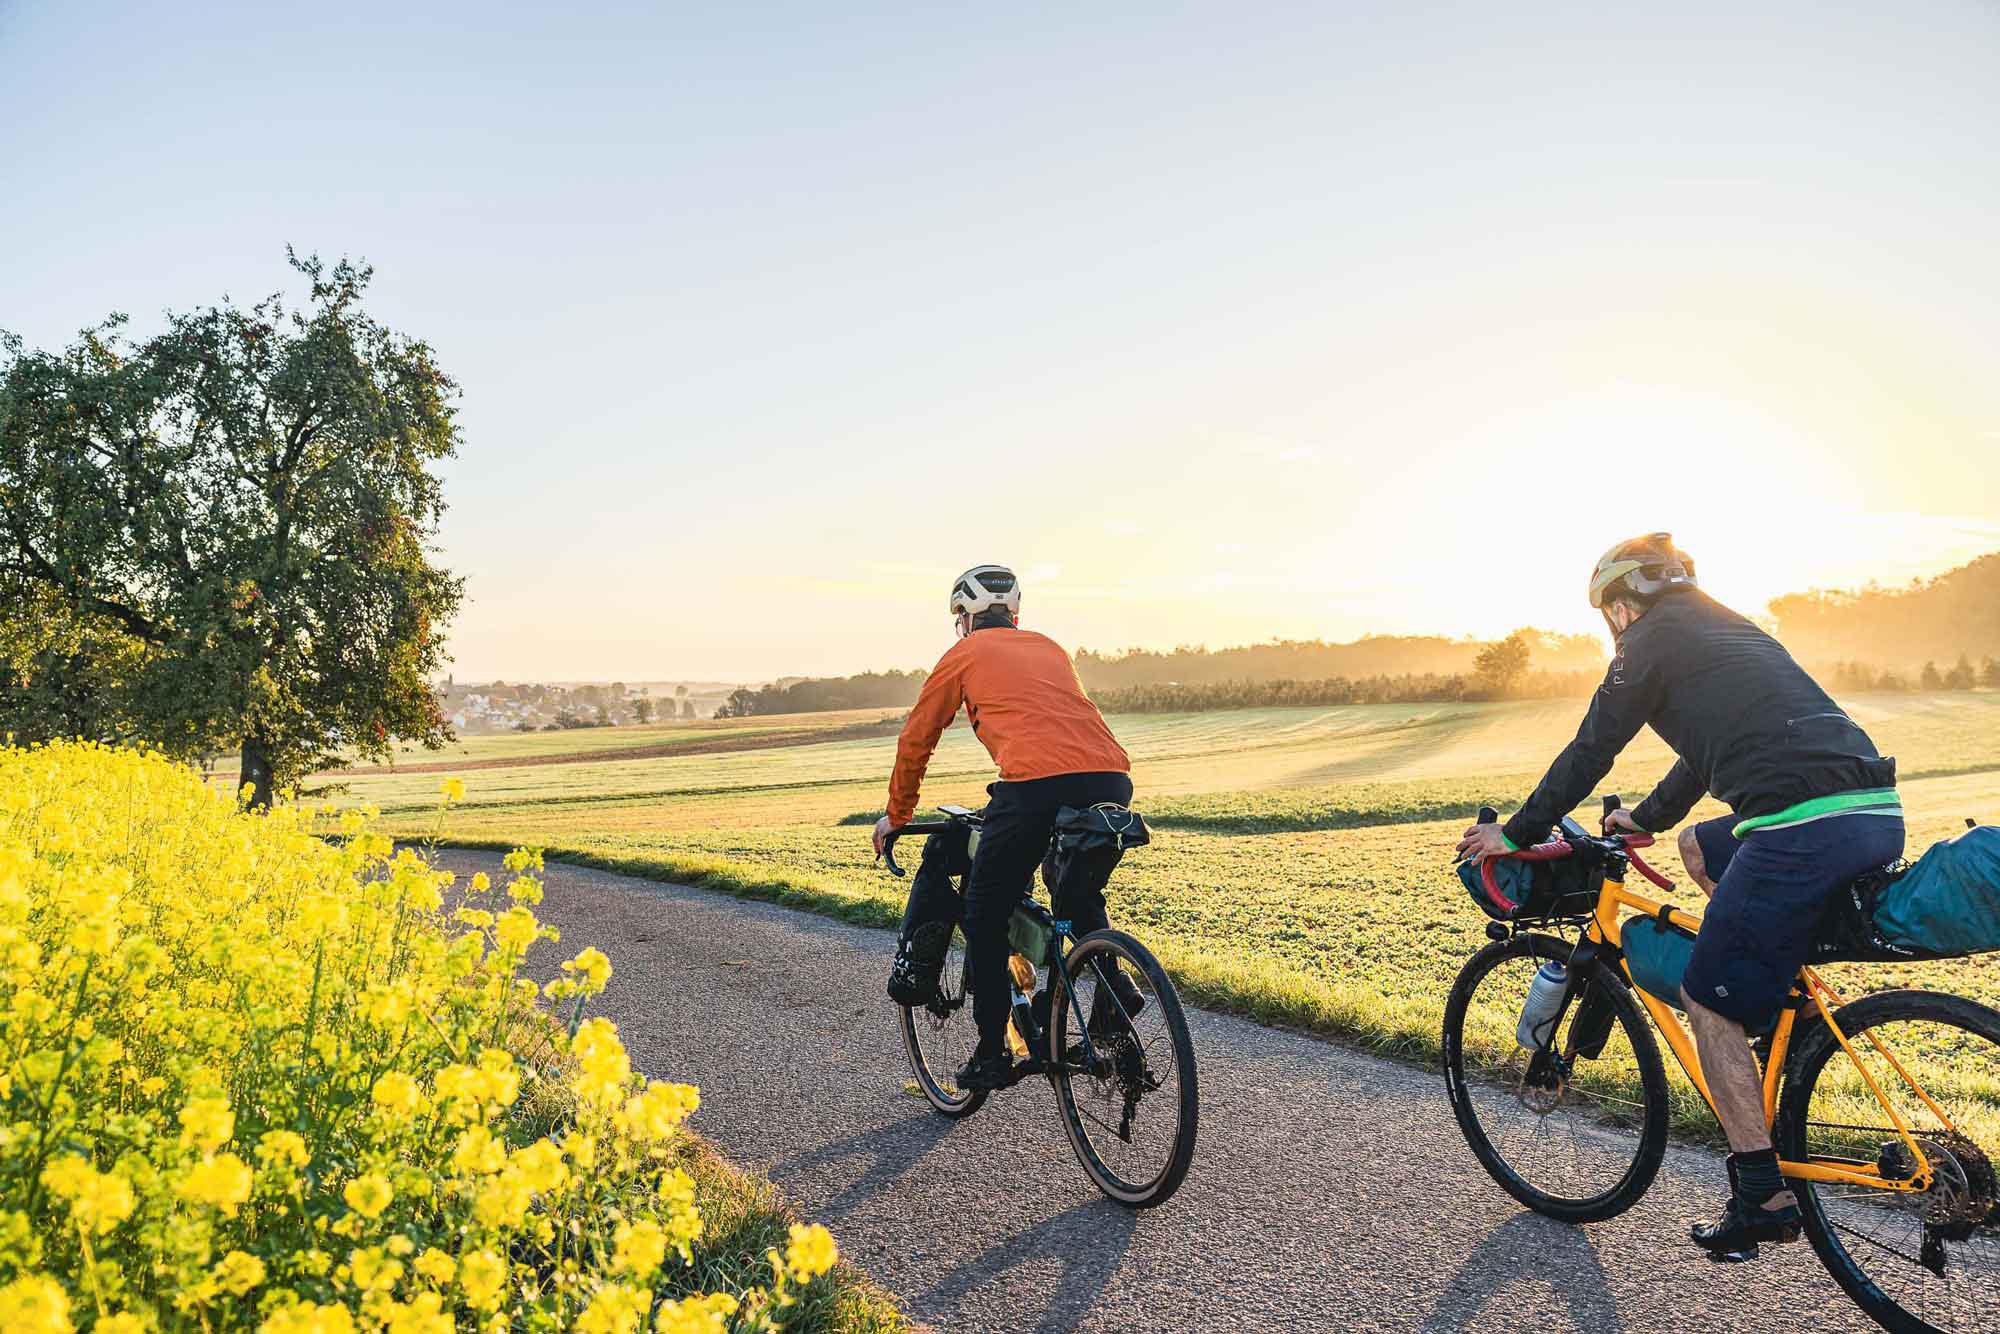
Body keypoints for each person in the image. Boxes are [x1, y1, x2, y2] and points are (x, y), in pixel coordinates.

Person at [1454, 533, 1902, 1262]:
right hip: (1872, 812)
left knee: (1708, 1001)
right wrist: (1646, 820)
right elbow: (1704, 752)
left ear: (1621, 606)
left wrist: (1518, 831)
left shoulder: (1648, 641)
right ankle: (1768, 1009)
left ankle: (1759, 1194)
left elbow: (1593, 747)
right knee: (1701, 847)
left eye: (1607, 614)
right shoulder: (1726, 628)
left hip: (1801, 830)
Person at [873, 564, 1136, 1091]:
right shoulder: (1051, 648)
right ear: (1013, 614)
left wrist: (897, 815)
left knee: (984, 910)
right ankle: (1115, 989)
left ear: (965, 618)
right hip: (1111, 779)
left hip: (1034, 788)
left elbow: (916, 739)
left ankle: (992, 1052)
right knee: (1077, 894)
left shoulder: (963, 655)